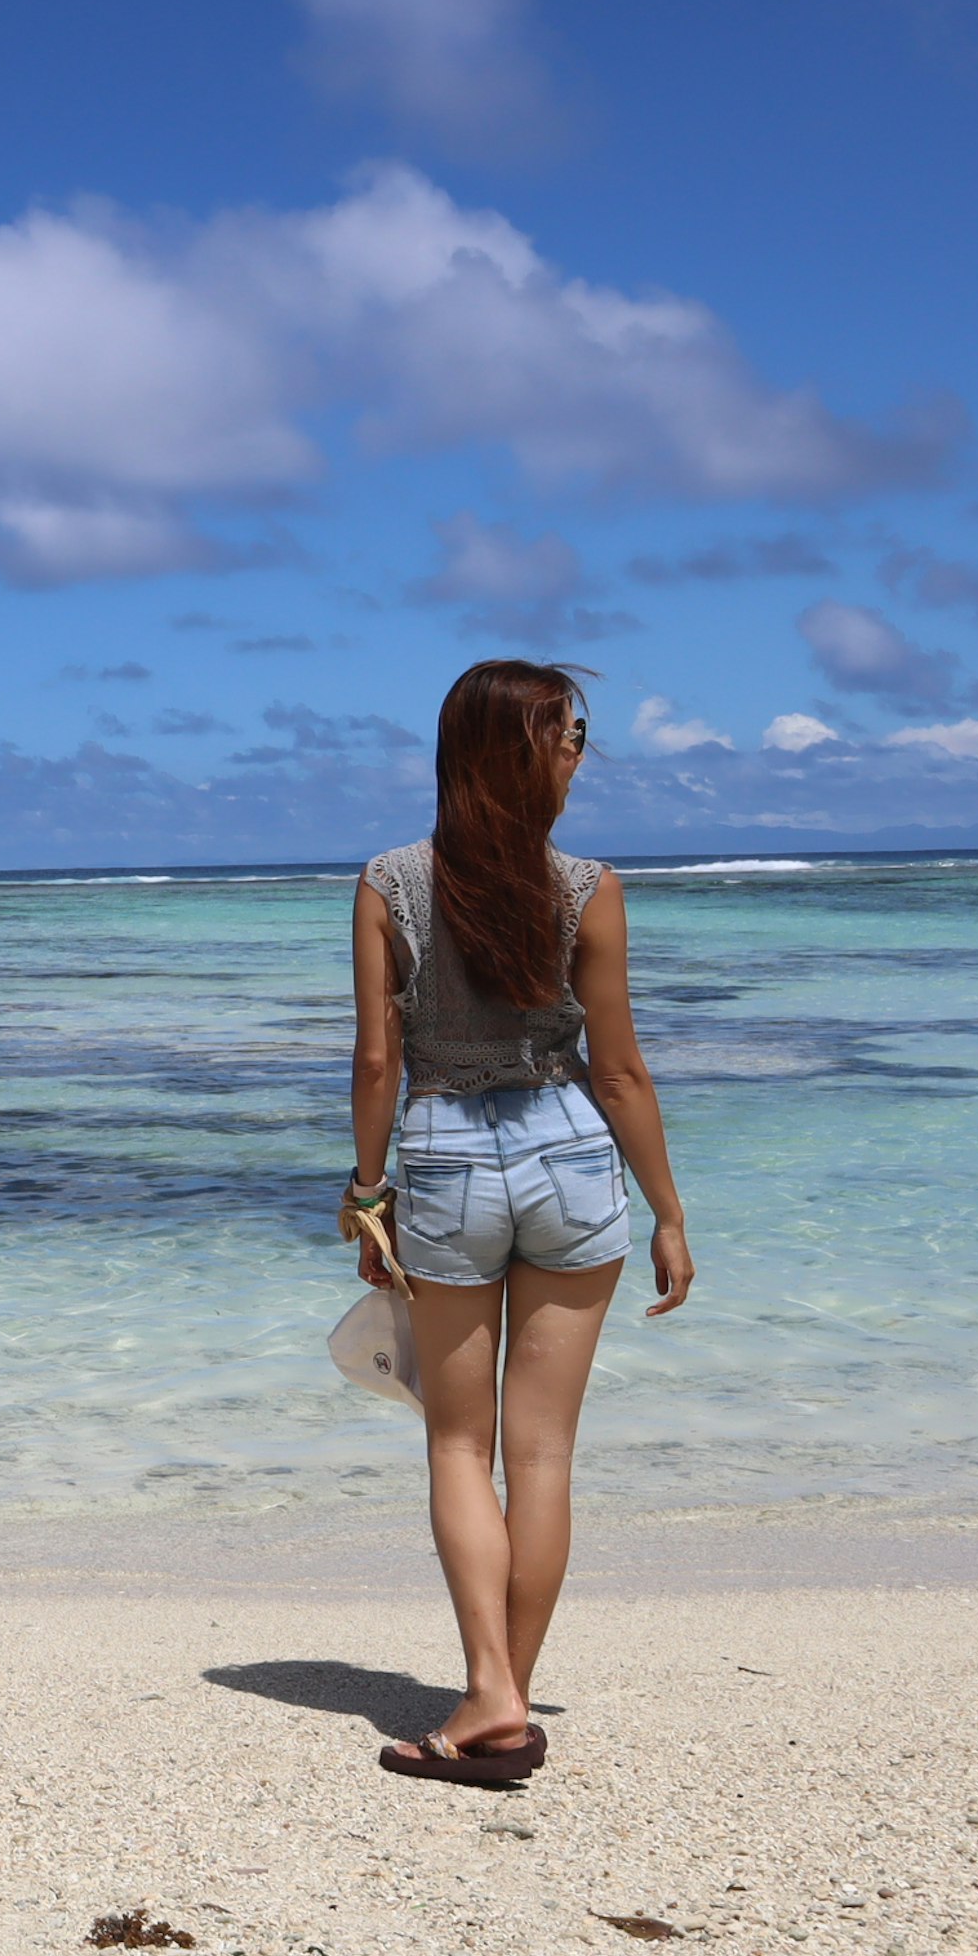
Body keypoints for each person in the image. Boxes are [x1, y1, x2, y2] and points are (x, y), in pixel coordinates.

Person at [341, 659, 692, 1787]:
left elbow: (377, 1061)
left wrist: (364, 1192)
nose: (581, 751)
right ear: (514, 753)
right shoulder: (589, 886)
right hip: (573, 1153)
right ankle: (503, 1698)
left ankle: (493, 1692)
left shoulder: (388, 882)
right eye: (565, 733)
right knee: (542, 1453)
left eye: (581, 730)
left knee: (459, 1444)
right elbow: (622, 1070)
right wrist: (670, 1213)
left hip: (443, 1154)